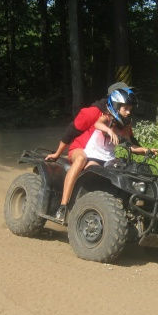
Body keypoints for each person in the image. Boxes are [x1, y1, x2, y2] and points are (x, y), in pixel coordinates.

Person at [45, 82, 132, 222]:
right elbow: (70, 132)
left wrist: (145, 150)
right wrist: (57, 154)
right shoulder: (93, 112)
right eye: (125, 94)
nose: (128, 99)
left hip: (101, 155)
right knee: (81, 159)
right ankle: (63, 206)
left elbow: (131, 141)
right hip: (80, 149)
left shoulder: (123, 118)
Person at [84, 91, 157, 168]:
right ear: (116, 107)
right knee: (93, 170)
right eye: (125, 109)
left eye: (130, 109)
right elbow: (97, 124)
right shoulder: (107, 118)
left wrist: (145, 150)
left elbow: (130, 146)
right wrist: (109, 130)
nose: (128, 112)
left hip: (109, 159)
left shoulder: (125, 126)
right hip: (93, 156)